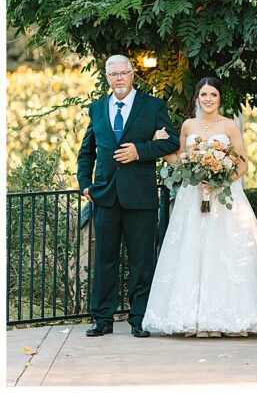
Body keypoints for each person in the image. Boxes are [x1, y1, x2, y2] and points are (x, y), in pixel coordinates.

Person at [141, 77, 257, 336]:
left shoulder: (229, 126)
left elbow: (242, 163)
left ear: (219, 98)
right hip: (193, 196)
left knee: (223, 251)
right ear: (197, 98)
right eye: (203, 94)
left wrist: (221, 180)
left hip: (224, 197)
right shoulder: (187, 125)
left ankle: (230, 319)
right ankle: (198, 321)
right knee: (193, 252)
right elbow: (179, 158)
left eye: (213, 95)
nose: (208, 99)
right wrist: (158, 144)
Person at [77, 55, 181, 338]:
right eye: (114, 74)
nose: (119, 78)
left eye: (124, 73)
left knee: (141, 260)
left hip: (140, 197)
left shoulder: (153, 106)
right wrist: (84, 183)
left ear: (133, 75)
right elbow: (87, 150)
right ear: (107, 77)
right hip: (105, 196)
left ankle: (139, 318)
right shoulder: (97, 108)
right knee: (105, 260)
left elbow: (172, 141)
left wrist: (140, 151)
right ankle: (102, 319)